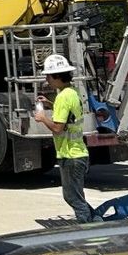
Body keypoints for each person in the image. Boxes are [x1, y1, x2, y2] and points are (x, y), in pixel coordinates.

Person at [33, 54, 94, 222]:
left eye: (48, 76)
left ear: (57, 76)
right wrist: (50, 104)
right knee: (77, 197)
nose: (47, 79)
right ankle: (95, 224)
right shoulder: (71, 92)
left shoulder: (62, 97)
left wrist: (42, 117)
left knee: (73, 198)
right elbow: (69, 117)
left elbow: (58, 129)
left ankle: (87, 230)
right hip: (78, 153)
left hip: (71, 156)